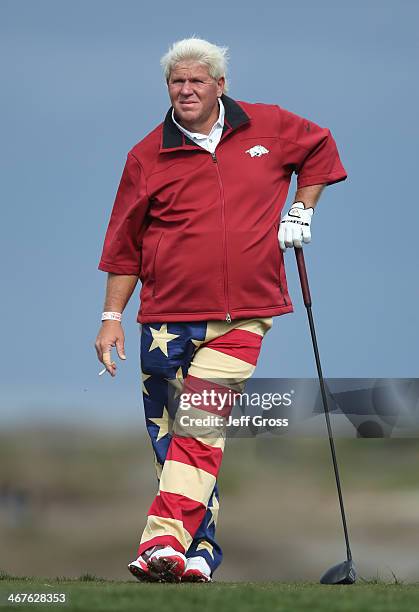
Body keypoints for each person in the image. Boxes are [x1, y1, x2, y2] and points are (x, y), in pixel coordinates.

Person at [95, 37, 347, 583]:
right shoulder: (146, 155)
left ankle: (162, 541)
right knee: (171, 437)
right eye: (176, 82)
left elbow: (321, 151)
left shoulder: (269, 126)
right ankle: (198, 552)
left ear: (220, 85)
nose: (186, 91)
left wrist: (302, 209)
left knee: (200, 425)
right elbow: (124, 245)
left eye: (196, 82)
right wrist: (111, 317)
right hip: (164, 315)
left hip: (244, 315)